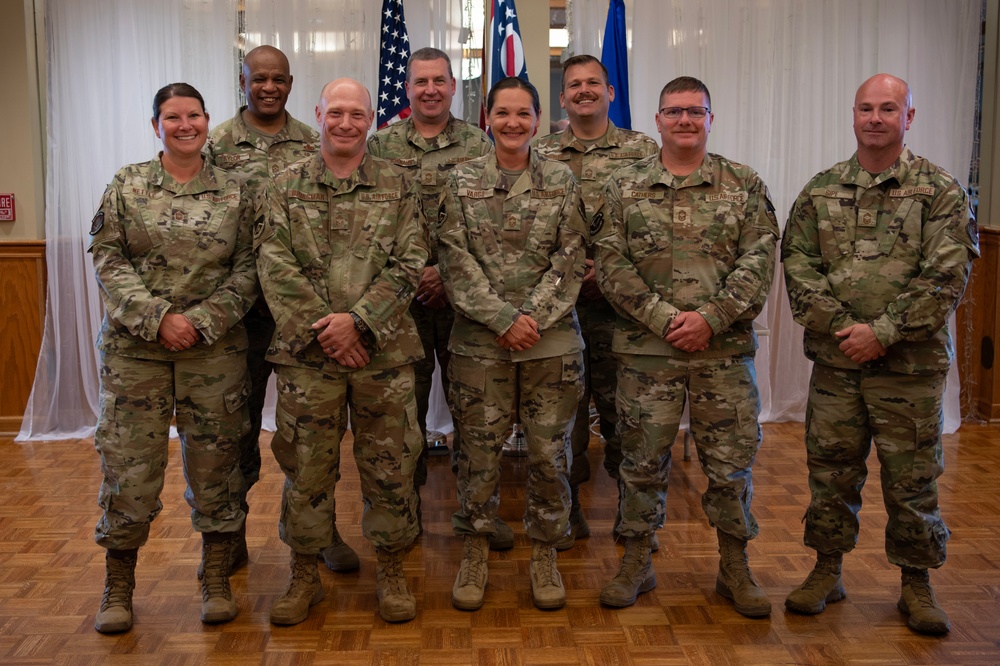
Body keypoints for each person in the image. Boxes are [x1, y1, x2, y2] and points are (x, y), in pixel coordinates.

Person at [781, 73, 979, 635]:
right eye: (866, 108)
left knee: (912, 479)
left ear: (908, 118)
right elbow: (797, 266)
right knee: (831, 475)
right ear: (853, 115)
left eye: (887, 109)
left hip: (909, 370)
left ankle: (917, 584)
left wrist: (884, 332)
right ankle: (826, 571)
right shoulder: (821, 191)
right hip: (837, 365)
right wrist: (846, 329)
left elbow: (947, 277)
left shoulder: (939, 191)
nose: (874, 118)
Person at [593, 76, 779, 617]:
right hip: (647, 352)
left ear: (710, 118)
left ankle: (734, 565)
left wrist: (711, 319)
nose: (684, 121)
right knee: (640, 461)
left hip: (721, 353)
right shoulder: (625, 188)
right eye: (673, 112)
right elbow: (610, 263)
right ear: (657, 120)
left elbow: (760, 260)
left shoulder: (743, 183)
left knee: (729, 465)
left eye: (695, 112)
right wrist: (667, 318)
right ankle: (636, 560)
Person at [256, 78, 427, 625]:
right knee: (307, 469)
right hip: (309, 357)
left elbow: (409, 263)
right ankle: (304, 574)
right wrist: (326, 331)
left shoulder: (399, 185)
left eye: (357, 114)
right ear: (318, 114)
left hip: (384, 353)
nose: (347, 123)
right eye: (336, 113)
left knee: (391, 468)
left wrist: (358, 324)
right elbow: (272, 263)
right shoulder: (283, 185)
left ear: (372, 117)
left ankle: (392, 571)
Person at [88, 82, 259, 633]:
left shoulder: (236, 191)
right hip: (136, 353)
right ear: (155, 125)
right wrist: (158, 317)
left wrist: (201, 321)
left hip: (213, 352)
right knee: (129, 471)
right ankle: (118, 584)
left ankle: (214, 577)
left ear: (209, 122)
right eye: (172, 117)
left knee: (218, 469)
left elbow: (251, 269)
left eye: (194, 116)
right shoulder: (127, 184)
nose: (185, 125)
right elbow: (108, 257)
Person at [207, 46, 361, 574]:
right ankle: (229, 536)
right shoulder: (216, 143)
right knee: (235, 428)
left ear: (291, 84)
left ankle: (324, 532)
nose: (268, 87)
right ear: (243, 81)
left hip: (308, 313)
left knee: (314, 433)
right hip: (242, 311)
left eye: (278, 79)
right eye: (258, 79)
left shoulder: (312, 138)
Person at [437, 77, 587, 612]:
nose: (512, 123)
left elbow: (571, 258)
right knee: (477, 453)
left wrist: (532, 319)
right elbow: (454, 260)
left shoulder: (563, 180)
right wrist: (503, 318)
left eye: (523, 114)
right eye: (503, 113)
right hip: (480, 344)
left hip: (551, 345)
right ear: (488, 119)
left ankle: (544, 552)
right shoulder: (461, 180)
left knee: (550, 455)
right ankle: (475, 549)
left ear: (539, 120)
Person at [366, 47, 504, 547]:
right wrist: (412, 277)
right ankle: (403, 514)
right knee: (401, 413)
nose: (429, 90)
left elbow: (490, 222)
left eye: (439, 81)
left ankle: (478, 511)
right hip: (397, 304)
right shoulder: (378, 146)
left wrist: (446, 276)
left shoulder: (478, 143)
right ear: (406, 88)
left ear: (452, 86)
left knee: (474, 409)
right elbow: (370, 226)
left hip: (464, 299)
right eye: (420, 81)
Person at [534, 54, 658, 550]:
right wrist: (567, 275)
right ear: (562, 98)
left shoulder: (642, 150)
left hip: (622, 310)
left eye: (594, 83)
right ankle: (570, 516)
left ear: (610, 92)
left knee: (626, 418)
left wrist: (603, 273)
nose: (584, 91)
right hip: (557, 311)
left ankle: (635, 527)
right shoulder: (540, 153)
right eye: (574, 85)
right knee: (562, 421)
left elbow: (653, 225)